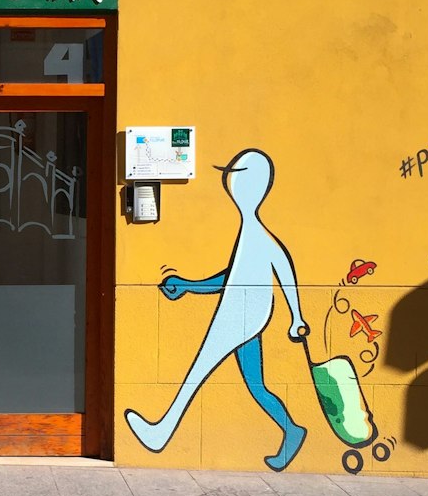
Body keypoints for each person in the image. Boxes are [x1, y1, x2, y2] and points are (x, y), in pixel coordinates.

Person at [124, 149, 308, 472]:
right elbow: (230, 277)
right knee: (256, 386)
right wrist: (188, 285)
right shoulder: (249, 233)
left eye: (236, 176)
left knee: (199, 370)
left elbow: (284, 270)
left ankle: (161, 432)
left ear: (251, 183)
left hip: (243, 316)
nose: (230, 182)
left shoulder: (258, 237)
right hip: (242, 313)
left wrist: (298, 317)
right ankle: (291, 430)